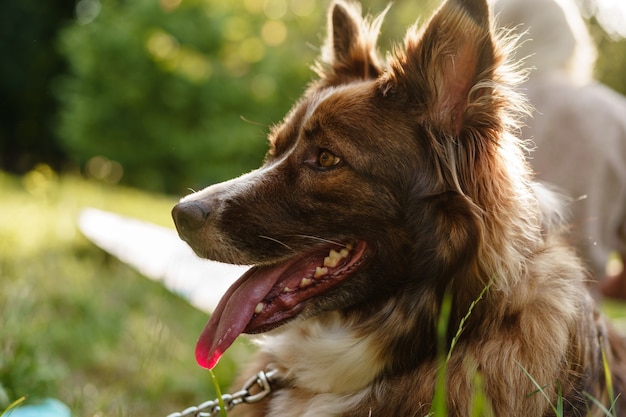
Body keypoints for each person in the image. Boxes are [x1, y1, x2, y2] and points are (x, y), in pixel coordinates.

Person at [491, 0, 626, 298]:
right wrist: (591, 285)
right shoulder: (617, 118)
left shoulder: (469, 111)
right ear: (568, 38)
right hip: (578, 328)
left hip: (463, 321)